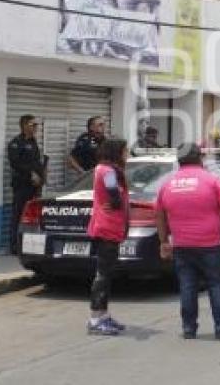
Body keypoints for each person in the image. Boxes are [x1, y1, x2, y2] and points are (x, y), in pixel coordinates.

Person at [156, 143, 220, 340]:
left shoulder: (168, 183)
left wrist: (163, 241)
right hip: (210, 244)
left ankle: (188, 328)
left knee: (187, 286)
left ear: (179, 160)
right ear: (199, 158)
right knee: (216, 285)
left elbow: (159, 213)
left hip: (182, 245)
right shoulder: (212, 181)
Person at [86, 138, 130, 336]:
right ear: (116, 152)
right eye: (125, 151)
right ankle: (96, 318)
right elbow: (115, 197)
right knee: (103, 275)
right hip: (107, 227)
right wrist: (117, 202)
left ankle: (103, 315)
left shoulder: (106, 170)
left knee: (106, 273)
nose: (127, 155)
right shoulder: (108, 171)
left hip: (110, 226)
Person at [7, 115, 46, 254]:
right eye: (32, 125)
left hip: (34, 186)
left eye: (36, 125)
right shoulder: (16, 143)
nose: (36, 127)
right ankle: (14, 247)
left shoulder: (33, 142)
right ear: (24, 126)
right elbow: (15, 163)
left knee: (32, 217)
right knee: (18, 214)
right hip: (22, 185)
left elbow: (35, 162)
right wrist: (31, 174)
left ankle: (28, 245)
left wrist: (42, 175)